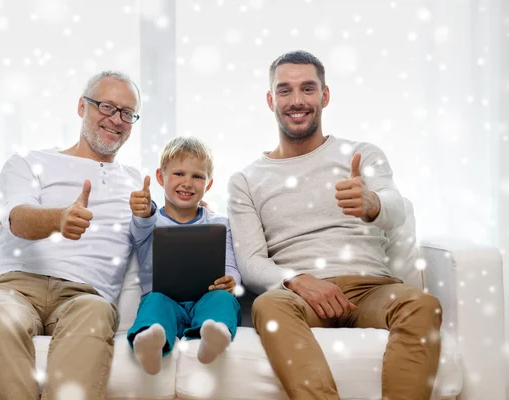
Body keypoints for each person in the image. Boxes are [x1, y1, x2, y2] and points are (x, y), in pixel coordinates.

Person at [227, 50, 442, 400]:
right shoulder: (246, 180)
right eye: (285, 90)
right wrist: (299, 281)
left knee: (421, 303)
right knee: (267, 306)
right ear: (270, 100)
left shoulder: (361, 154)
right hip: (302, 297)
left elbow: (395, 208)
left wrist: (373, 205)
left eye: (308, 89)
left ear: (324, 96)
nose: (297, 100)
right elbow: (251, 263)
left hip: (371, 289)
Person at [0, 70, 142, 400]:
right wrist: (58, 219)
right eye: (106, 106)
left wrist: (193, 212)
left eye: (127, 113)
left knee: (96, 313)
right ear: (81, 107)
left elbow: (162, 233)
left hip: (86, 296)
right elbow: (16, 218)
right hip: (16, 287)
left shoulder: (136, 182)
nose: (116, 120)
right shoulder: (29, 163)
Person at [126, 136, 242, 375]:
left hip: (206, 300)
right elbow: (141, 222)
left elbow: (230, 265)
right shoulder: (150, 221)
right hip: (164, 301)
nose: (187, 183)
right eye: (179, 174)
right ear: (161, 177)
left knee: (223, 300)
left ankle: (213, 334)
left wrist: (231, 281)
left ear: (208, 185)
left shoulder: (221, 223)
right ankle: (151, 341)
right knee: (155, 301)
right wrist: (144, 210)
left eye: (197, 176)